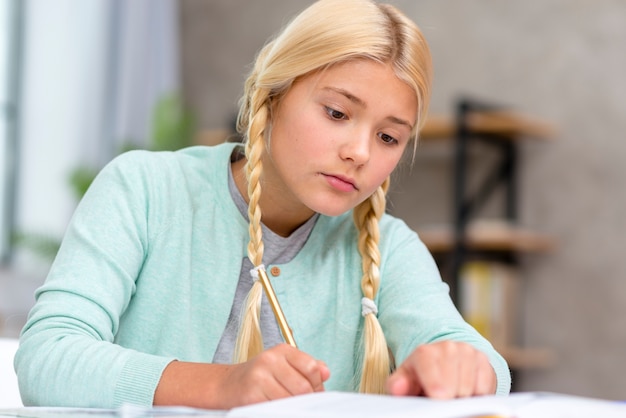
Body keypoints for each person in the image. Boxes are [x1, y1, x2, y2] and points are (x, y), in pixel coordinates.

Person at [15, 0, 511, 409]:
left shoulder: (390, 247)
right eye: (337, 112)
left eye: (387, 136)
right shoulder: (144, 189)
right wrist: (220, 386)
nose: (359, 153)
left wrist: (463, 365)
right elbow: (46, 357)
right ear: (272, 96)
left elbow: (484, 363)